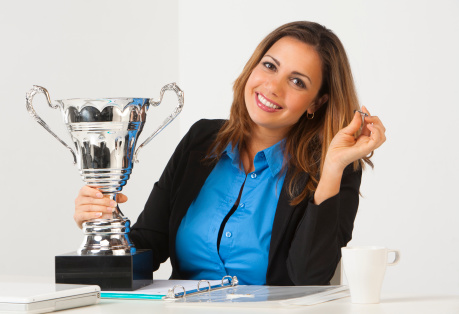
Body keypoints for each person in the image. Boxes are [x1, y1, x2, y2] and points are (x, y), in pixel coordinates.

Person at [73, 21, 386, 286]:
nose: (273, 87)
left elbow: (309, 278)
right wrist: (105, 228)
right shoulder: (201, 140)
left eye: (296, 81)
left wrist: (332, 168)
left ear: (316, 103)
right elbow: (149, 244)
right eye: (270, 66)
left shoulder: (334, 169)